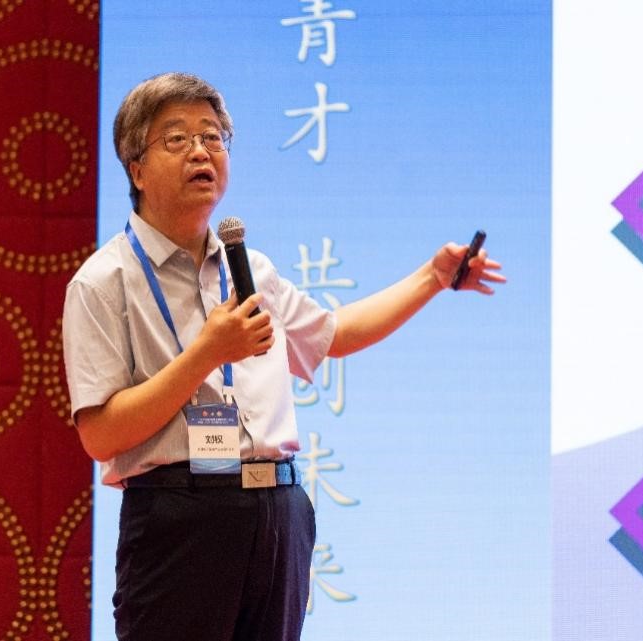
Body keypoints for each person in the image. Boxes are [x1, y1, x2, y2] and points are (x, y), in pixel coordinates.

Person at [62, 72, 505, 641]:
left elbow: (335, 334)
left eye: (213, 136)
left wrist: (432, 278)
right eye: (177, 138)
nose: (201, 151)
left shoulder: (251, 269)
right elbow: (101, 435)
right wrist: (207, 353)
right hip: (178, 517)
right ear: (136, 169)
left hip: (277, 512)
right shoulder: (103, 282)